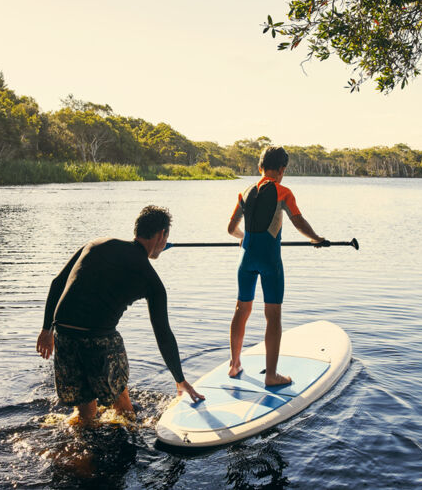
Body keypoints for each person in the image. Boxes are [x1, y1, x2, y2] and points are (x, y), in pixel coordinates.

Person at [36, 205, 205, 426]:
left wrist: (46, 329)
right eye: (166, 237)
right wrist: (180, 380)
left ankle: (81, 447)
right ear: (162, 235)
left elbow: (57, 283)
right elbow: (163, 334)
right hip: (98, 339)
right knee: (122, 403)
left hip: (63, 335)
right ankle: (130, 432)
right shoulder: (150, 279)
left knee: (85, 412)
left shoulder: (97, 244)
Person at [227, 146, 325, 386]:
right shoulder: (283, 192)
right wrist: (316, 239)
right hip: (270, 261)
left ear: (260, 168)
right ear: (282, 169)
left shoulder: (245, 192)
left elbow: (231, 229)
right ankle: (271, 376)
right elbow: (298, 221)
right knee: (273, 315)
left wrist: (243, 237)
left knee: (242, 310)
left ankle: (234, 364)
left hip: (246, 259)